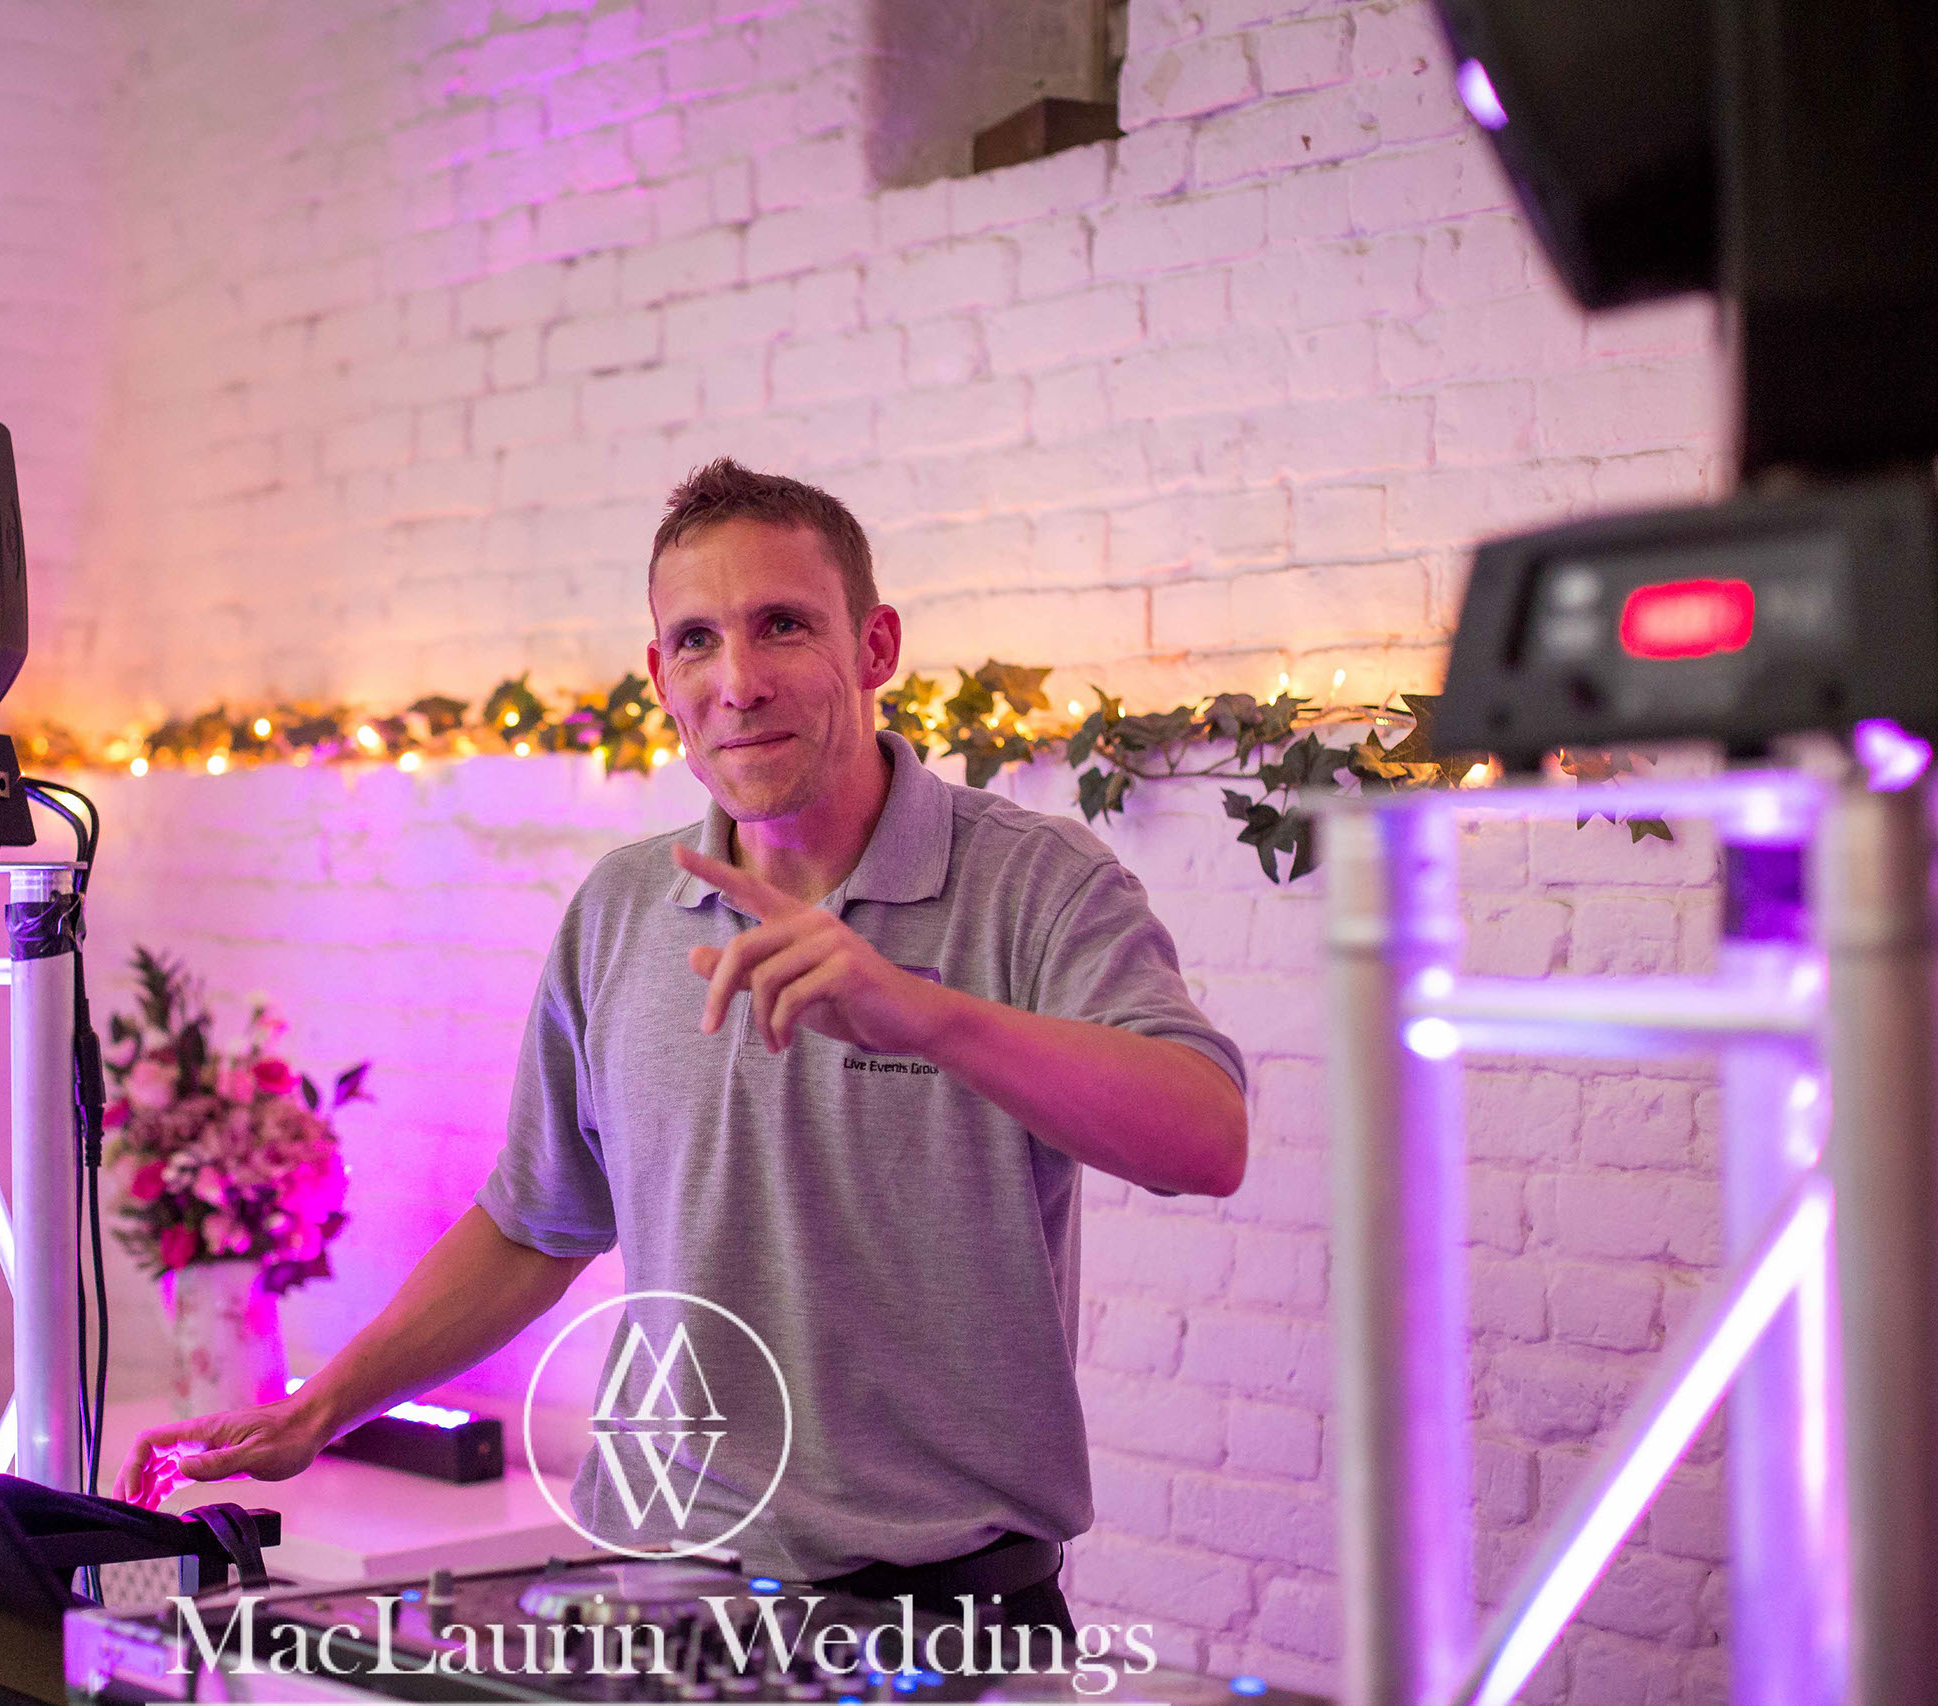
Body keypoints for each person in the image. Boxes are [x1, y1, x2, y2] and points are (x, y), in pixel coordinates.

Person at [116, 459, 1248, 1639]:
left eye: (783, 626)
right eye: (698, 639)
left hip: (945, 1626)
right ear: (661, 676)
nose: (740, 680)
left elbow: (1206, 1138)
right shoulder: (620, 908)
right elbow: (531, 1222)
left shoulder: (1035, 883)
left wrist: (921, 1011)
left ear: (874, 647)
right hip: (657, 1612)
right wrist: (323, 1406)